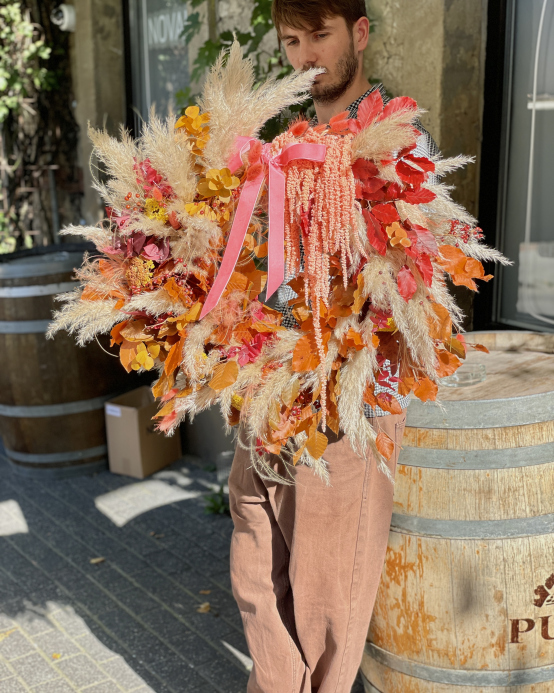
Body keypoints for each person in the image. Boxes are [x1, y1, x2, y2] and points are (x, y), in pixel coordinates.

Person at [228, 2, 438, 691]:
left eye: (320, 34)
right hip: (272, 392)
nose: (306, 55)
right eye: (291, 40)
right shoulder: (287, 142)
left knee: (325, 609)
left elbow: (414, 287)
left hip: (348, 404)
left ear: (360, 32)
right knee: (256, 576)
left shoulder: (401, 142)